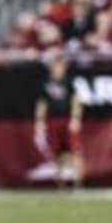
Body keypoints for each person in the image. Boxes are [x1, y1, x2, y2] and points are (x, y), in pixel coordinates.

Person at [34, 52, 84, 185]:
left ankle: (78, 181)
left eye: (60, 65)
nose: (58, 68)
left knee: (75, 149)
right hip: (52, 121)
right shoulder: (45, 84)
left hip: (66, 120)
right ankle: (59, 181)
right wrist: (39, 122)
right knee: (56, 152)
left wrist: (75, 118)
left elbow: (76, 101)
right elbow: (42, 105)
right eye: (56, 65)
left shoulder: (69, 83)